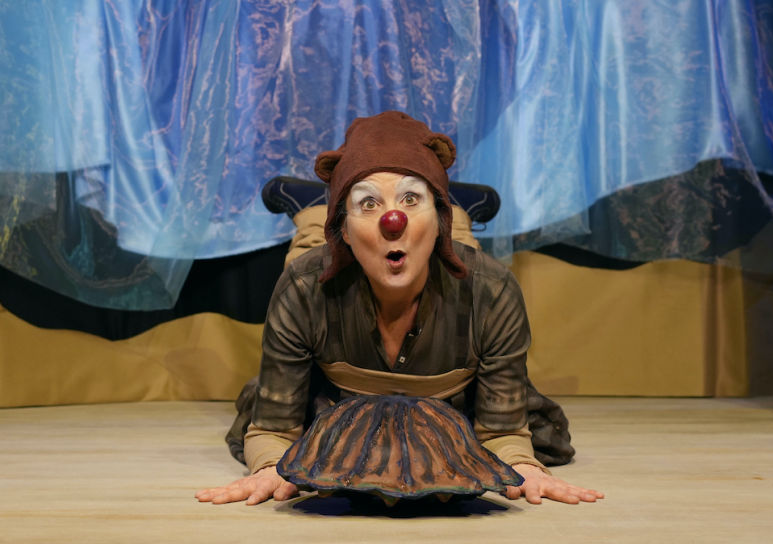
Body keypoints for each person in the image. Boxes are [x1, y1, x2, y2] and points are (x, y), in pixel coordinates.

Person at [196, 111, 604, 506]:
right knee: (311, 254)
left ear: (438, 217)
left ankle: (452, 206)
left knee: (458, 257)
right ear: (344, 229)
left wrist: (523, 466)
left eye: (411, 198)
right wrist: (271, 466)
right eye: (368, 204)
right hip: (336, 371)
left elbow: (503, 430)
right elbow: (273, 427)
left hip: (451, 286)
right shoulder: (303, 288)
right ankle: (317, 206)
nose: (393, 219)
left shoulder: (492, 291)